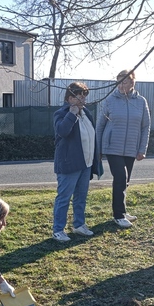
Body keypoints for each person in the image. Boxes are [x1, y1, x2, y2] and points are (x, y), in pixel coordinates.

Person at [96, 69, 151, 228]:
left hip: (131, 148)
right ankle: (118, 215)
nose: (120, 86)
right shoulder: (110, 100)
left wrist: (142, 149)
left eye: (124, 82)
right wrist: (98, 149)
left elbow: (145, 126)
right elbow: (100, 125)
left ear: (132, 82)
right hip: (112, 146)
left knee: (125, 181)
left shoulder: (141, 101)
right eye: (118, 82)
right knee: (120, 177)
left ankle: (122, 210)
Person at [52, 82, 102, 242]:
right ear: (69, 98)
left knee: (81, 196)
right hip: (69, 164)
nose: (82, 99)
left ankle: (79, 225)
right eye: (79, 96)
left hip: (86, 163)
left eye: (84, 96)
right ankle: (58, 230)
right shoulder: (61, 113)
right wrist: (72, 114)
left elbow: (92, 136)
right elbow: (62, 131)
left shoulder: (86, 113)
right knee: (64, 198)